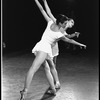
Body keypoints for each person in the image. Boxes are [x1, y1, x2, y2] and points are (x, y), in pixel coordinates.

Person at [19, 0, 86, 99]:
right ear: (60, 22)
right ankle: (45, 91)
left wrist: (40, 1)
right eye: (65, 23)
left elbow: (43, 10)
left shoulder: (52, 24)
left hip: (43, 48)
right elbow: (44, 10)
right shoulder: (58, 32)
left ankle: (26, 91)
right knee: (38, 69)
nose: (65, 25)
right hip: (44, 48)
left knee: (40, 68)